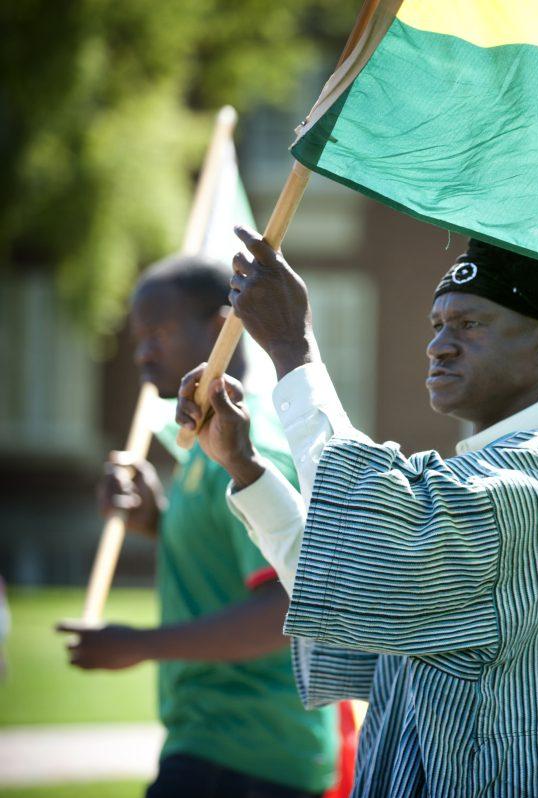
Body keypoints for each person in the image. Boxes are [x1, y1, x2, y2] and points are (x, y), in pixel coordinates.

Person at [177, 228, 538, 797]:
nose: (439, 345)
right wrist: (245, 467)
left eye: (470, 325)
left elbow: (377, 553)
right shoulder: (510, 471)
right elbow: (367, 589)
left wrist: (293, 346)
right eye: (438, 325)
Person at [57, 255, 338, 798]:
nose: (142, 353)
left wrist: (140, 644)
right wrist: (156, 524)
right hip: (214, 747)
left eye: (158, 333)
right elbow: (233, 562)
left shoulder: (252, 448)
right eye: (138, 336)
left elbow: (286, 609)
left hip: (250, 756)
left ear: (219, 329)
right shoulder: (203, 447)